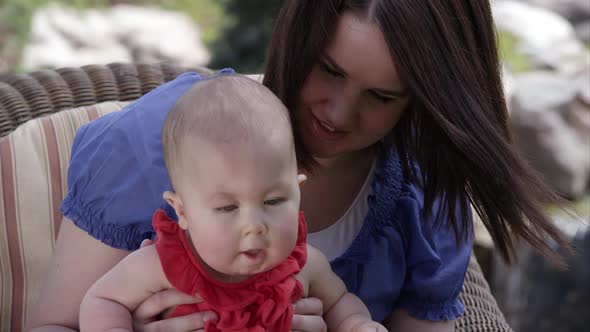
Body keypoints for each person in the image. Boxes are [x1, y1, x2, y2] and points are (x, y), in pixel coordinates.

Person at [27, 1, 572, 331]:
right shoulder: (149, 148)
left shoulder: (420, 192)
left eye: (381, 97)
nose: (337, 114)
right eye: (329, 71)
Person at [79, 74, 387, 332]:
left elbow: (339, 302)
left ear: (297, 192)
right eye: (228, 208)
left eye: (274, 200)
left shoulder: (305, 265)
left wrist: (356, 323)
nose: (254, 226)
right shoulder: (162, 265)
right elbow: (103, 300)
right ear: (183, 212)